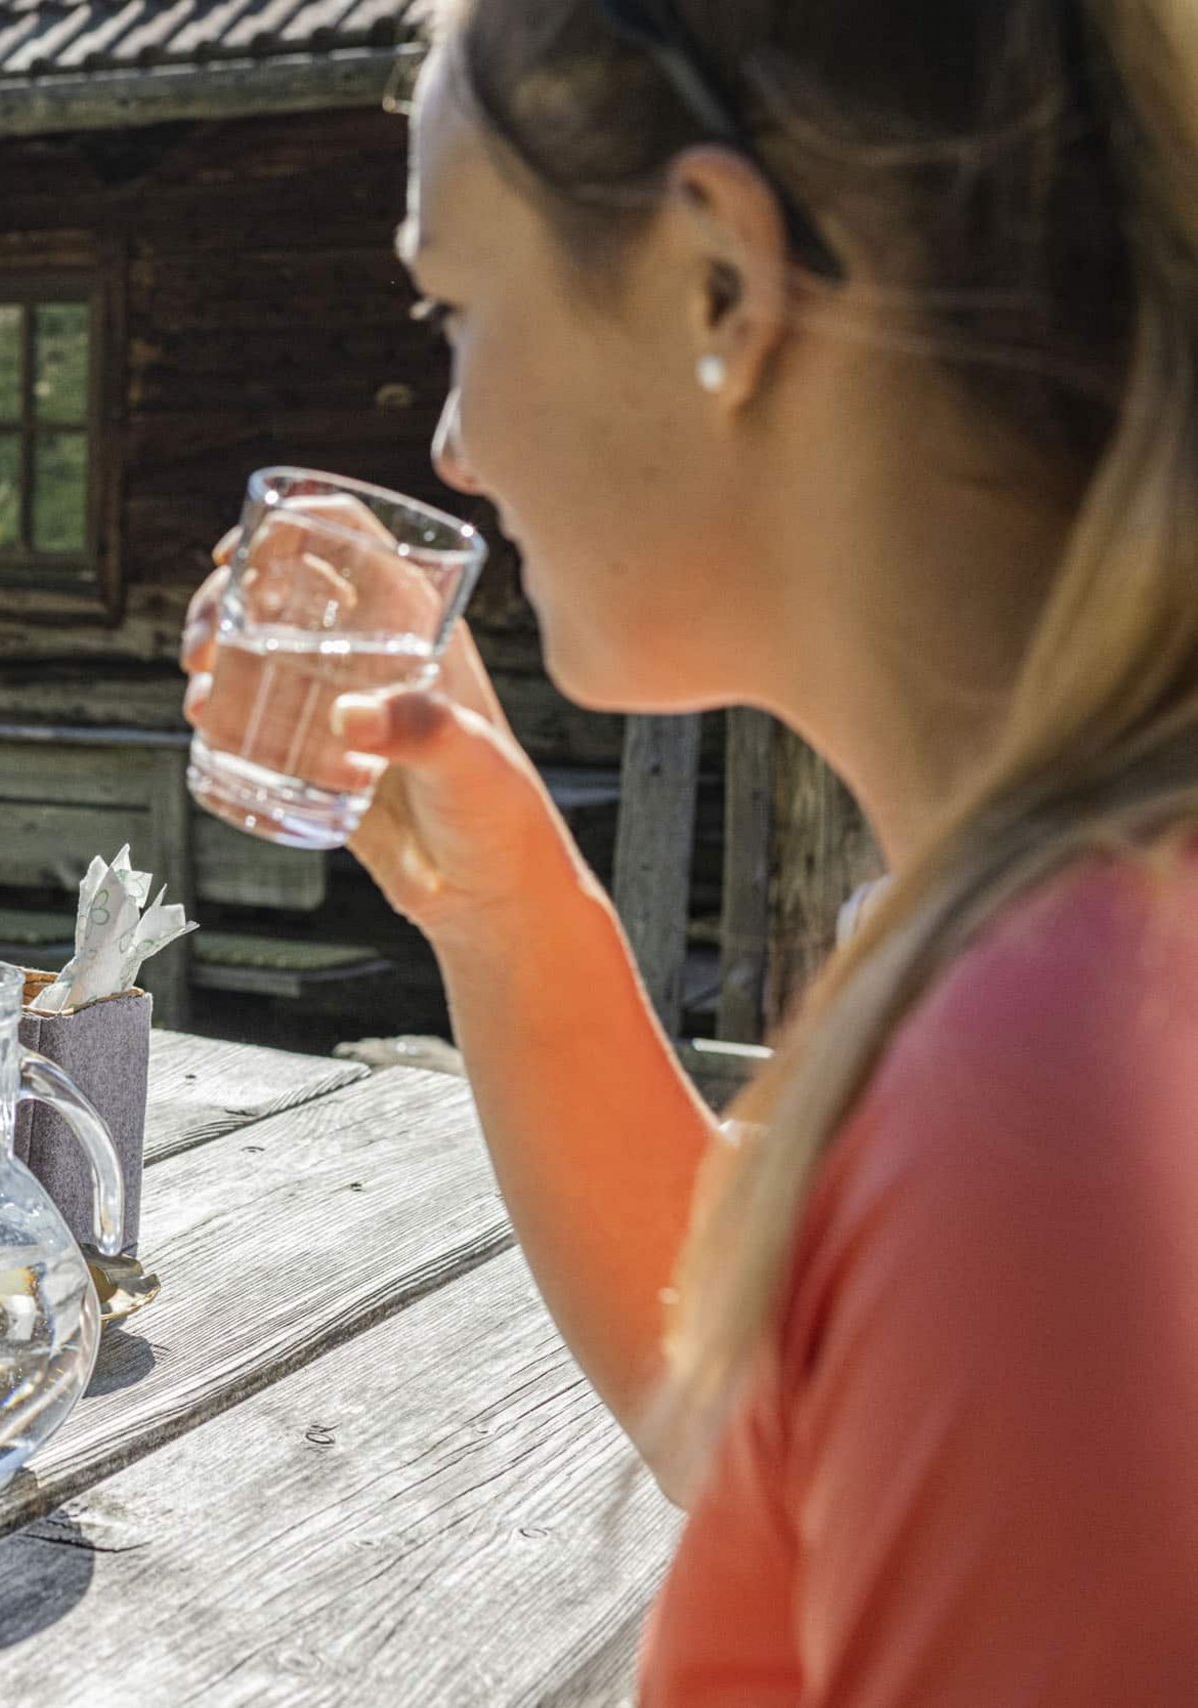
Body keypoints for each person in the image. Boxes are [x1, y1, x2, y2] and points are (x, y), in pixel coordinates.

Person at [185, 0, 1198, 1697]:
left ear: (717, 281)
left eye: (454, 312)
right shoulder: (1054, 933)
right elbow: (775, 1415)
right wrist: (511, 911)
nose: (450, 445)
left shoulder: (1055, 1076)